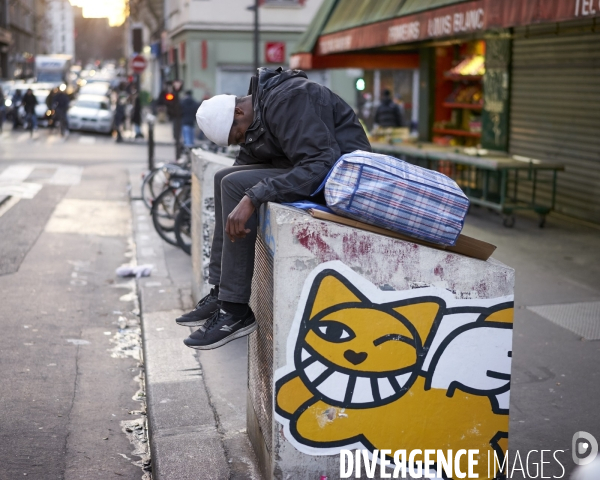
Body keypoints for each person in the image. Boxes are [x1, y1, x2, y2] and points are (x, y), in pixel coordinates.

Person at [176, 67, 371, 350]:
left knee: (236, 188)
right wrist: (245, 198)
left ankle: (235, 310)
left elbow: (321, 163)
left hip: (343, 179)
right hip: (315, 170)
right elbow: (241, 167)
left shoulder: (289, 100)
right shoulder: (259, 115)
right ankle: (221, 293)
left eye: (238, 136)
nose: (242, 142)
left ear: (239, 114)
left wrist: (253, 197)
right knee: (224, 180)